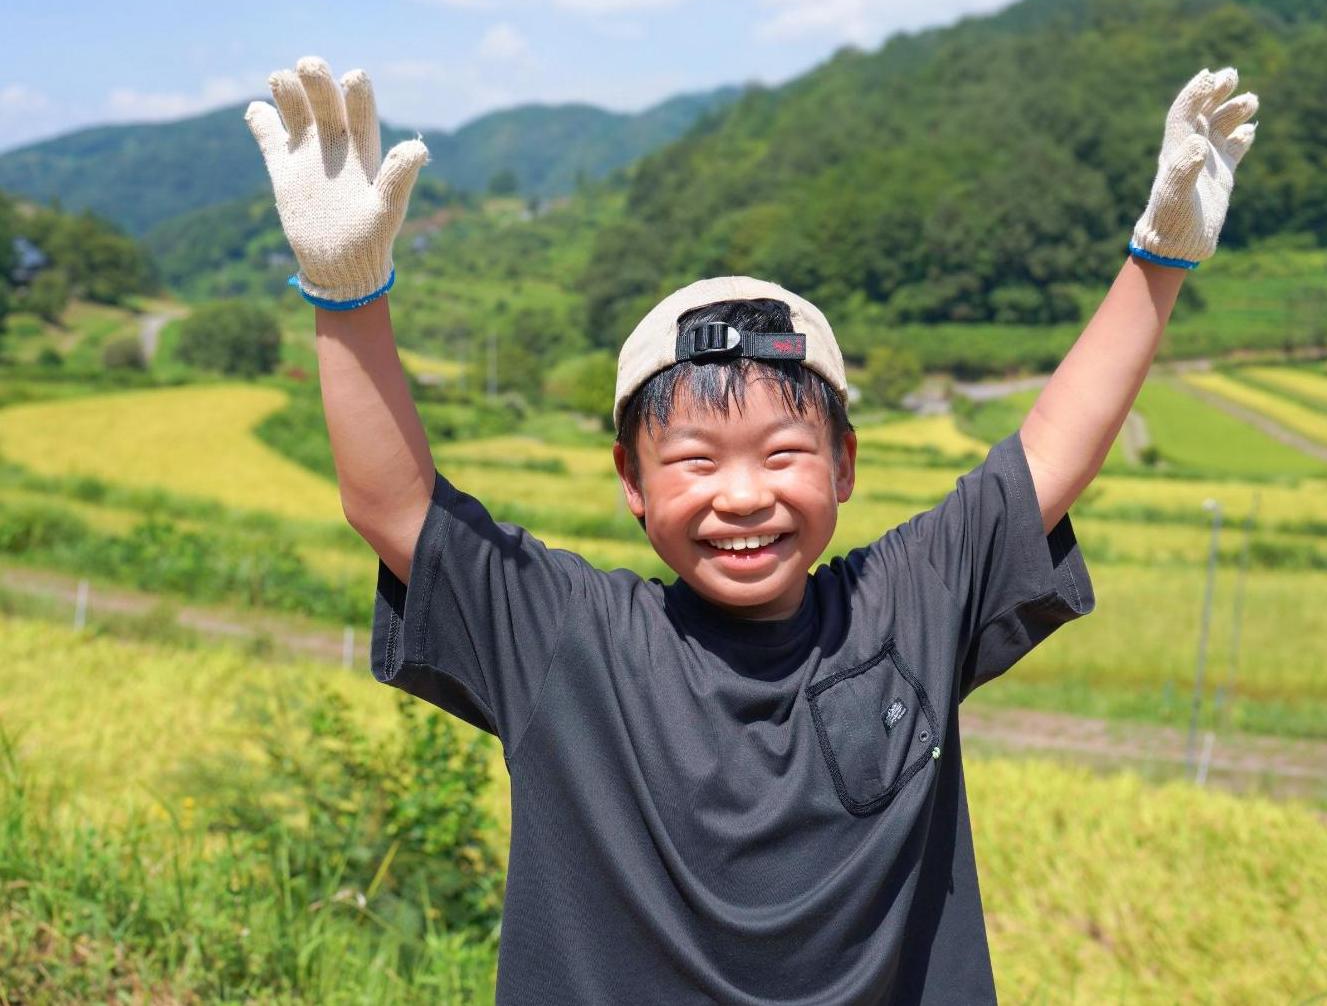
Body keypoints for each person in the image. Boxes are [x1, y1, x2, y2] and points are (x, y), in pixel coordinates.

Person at [244, 57, 1259, 1004]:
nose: (741, 496)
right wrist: (346, 295)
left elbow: (1047, 453)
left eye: (782, 454)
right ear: (631, 484)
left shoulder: (901, 605)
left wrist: (1157, 258)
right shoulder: (568, 638)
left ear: (844, 466)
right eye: (693, 461)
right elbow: (394, 508)